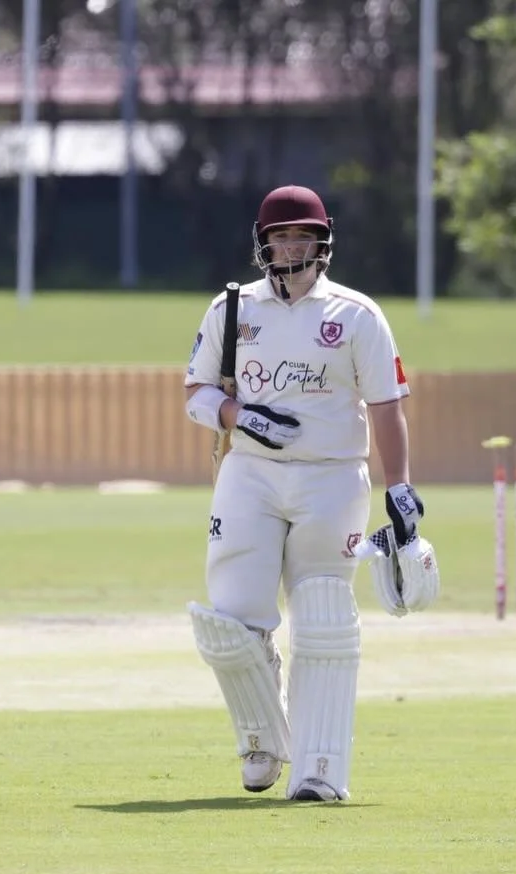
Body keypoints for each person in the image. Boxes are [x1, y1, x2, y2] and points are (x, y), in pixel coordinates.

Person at [181, 185, 436, 802]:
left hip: (331, 476)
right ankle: (262, 739)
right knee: (232, 620)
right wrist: (240, 417)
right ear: (263, 243)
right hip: (250, 473)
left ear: (324, 241)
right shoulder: (232, 309)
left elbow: (386, 406)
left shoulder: (355, 314)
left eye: (303, 235)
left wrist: (400, 488)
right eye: (282, 236)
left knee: (322, 617)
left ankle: (320, 767)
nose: (292, 246)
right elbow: (195, 393)